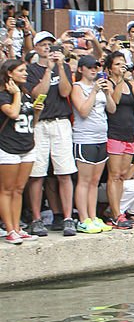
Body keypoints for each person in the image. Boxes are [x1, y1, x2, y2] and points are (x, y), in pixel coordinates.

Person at [25, 31, 77, 238]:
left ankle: (67, 218)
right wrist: (48, 70)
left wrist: (60, 67)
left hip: (60, 123)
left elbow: (65, 92)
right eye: (43, 44)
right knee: (37, 174)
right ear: (36, 48)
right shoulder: (30, 69)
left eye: (51, 44)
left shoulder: (63, 67)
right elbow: (38, 94)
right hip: (39, 124)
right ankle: (36, 219)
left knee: (64, 172)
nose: (48, 48)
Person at [0, 59, 45, 244]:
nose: (26, 73)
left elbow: (31, 123)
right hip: (8, 146)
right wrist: (16, 93)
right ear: (9, 73)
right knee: (6, 189)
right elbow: (12, 113)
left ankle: (17, 227)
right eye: (21, 70)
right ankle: (9, 229)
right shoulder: (4, 94)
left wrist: (37, 112)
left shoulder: (26, 94)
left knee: (19, 189)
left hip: (27, 145)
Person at [70, 55, 115, 234]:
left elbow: (112, 109)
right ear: (81, 69)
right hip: (84, 138)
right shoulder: (77, 87)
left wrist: (108, 93)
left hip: (101, 137)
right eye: (90, 67)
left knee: (95, 181)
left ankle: (93, 216)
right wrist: (94, 92)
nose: (94, 70)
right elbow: (82, 111)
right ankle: (83, 219)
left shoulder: (101, 88)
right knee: (84, 180)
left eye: (96, 67)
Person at [104, 51, 134, 229]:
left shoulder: (128, 83)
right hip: (114, 133)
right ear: (110, 68)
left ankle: (118, 211)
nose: (122, 66)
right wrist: (120, 79)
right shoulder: (110, 83)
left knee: (122, 176)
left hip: (129, 134)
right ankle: (115, 214)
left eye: (123, 63)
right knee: (113, 175)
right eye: (118, 64)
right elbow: (115, 101)